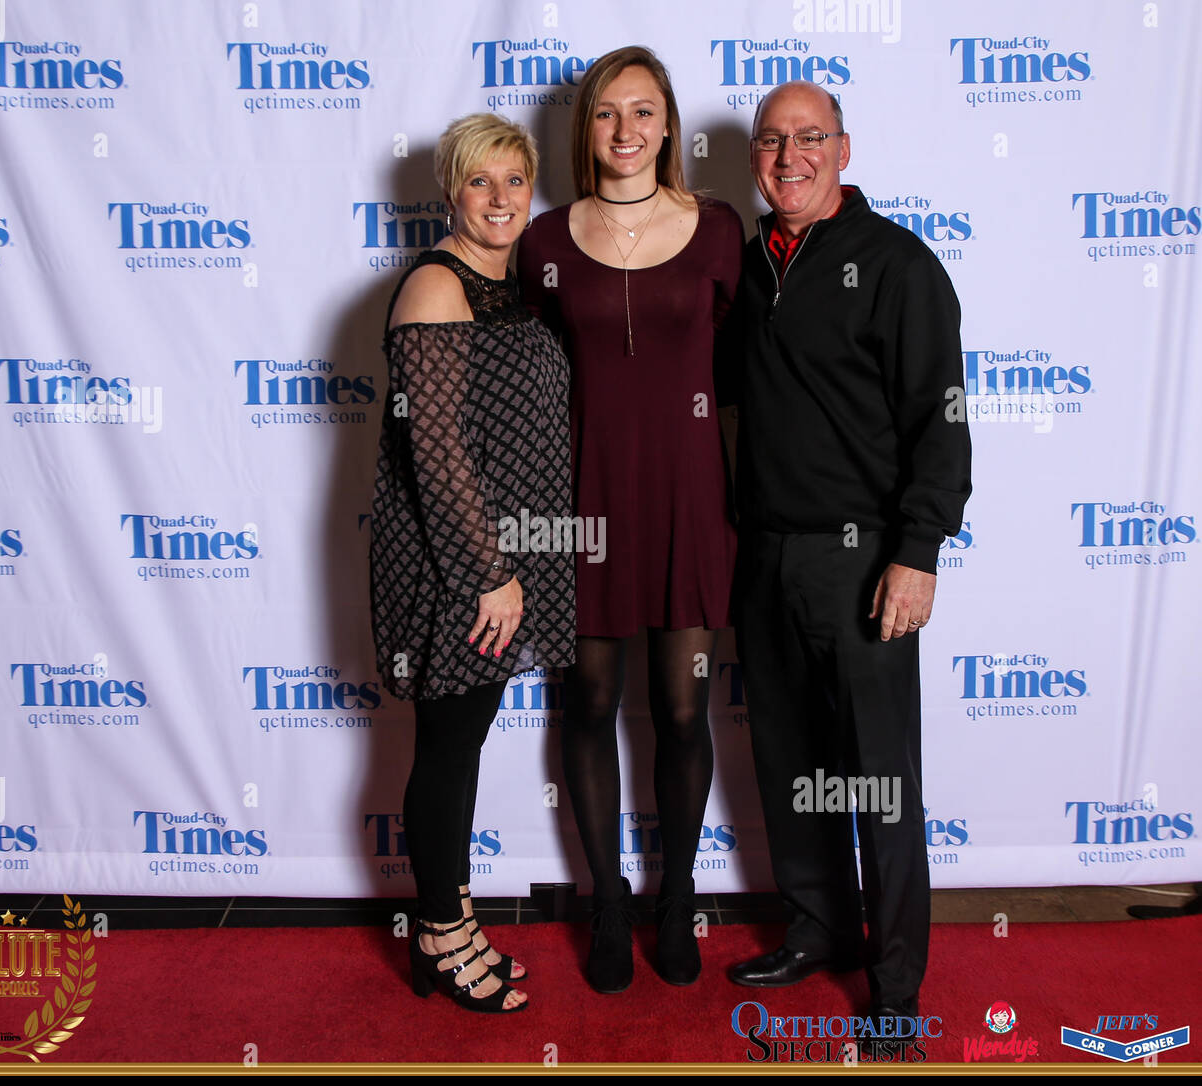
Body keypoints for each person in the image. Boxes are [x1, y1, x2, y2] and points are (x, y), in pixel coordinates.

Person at [727, 81, 971, 1022]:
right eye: (771, 142)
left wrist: (918, 551)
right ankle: (813, 928)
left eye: (809, 138)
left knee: (879, 776)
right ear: (753, 155)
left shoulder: (901, 265)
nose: (789, 157)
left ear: (844, 149)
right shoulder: (748, 266)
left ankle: (897, 984)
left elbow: (940, 425)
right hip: (766, 554)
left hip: (865, 563)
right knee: (792, 764)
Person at [518, 47, 741, 992]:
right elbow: (529, 382)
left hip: (691, 496)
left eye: (643, 112)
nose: (625, 131)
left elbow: (745, 377)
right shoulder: (545, 243)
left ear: (669, 125)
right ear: (587, 128)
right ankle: (608, 899)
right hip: (586, 504)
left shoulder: (721, 229)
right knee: (593, 703)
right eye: (607, 113)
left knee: (685, 706)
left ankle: (677, 892)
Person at [370, 113, 574, 1013]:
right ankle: (440, 936)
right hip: (455, 566)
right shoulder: (435, 289)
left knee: (465, 739)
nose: (500, 200)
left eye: (515, 182)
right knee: (448, 748)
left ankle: (453, 917)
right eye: (480, 182)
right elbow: (437, 451)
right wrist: (488, 570)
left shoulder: (514, 285)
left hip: (504, 560)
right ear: (451, 191)